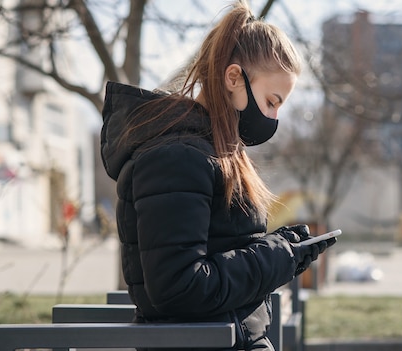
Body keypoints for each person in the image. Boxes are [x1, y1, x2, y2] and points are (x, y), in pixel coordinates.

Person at [99, 2, 336, 350]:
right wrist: (277, 256)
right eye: (272, 101)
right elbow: (180, 287)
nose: (272, 117)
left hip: (233, 338)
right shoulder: (175, 158)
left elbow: (222, 250)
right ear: (233, 78)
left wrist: (285, 247)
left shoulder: (213, 153)